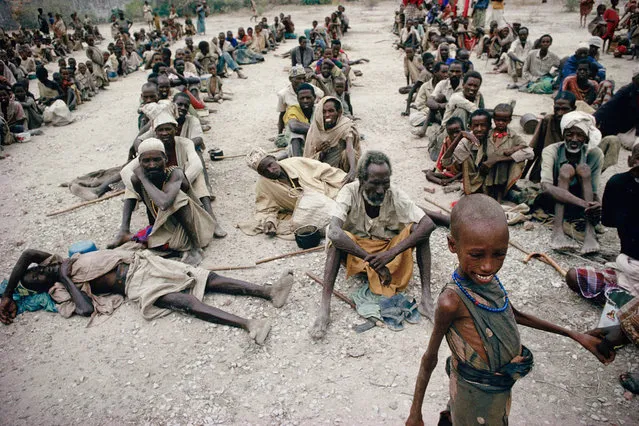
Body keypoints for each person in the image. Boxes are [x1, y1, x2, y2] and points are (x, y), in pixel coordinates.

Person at [405, 194, 612, 426]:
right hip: (475, 393)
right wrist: (415, 413)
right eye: (476, 255)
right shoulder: (451, 302)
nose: (488, 266)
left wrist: (575, 335)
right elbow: (429, 358)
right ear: (453, 245)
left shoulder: (488, 283)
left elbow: (514, 314)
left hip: (495, 393)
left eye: (499, 254)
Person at [0, 248, 295, 345]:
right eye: (38, 277)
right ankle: (249, 324)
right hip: (133, 284)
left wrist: (8, 293)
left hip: (142, 261)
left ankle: (268, 292)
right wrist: (63, 276)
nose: (42, 271)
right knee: (184, 302)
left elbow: (27, 255)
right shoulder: (62, 285)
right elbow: (86, 309)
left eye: (37, 270)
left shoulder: (58, 259)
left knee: (203, 276)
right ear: (45, 284)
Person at [310, 151, 437, 340]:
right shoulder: (349, 192)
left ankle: (426, 300)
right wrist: (373, 262)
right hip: (358, 255)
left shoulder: (394, 193)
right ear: (361, 180)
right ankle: (325, 307)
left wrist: (391, 253)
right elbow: (335, 232)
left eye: (384, 183)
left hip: (387, 252)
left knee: (420, 230)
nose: (380, 190)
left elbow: (429, 224)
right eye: (375, 183)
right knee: (338, 239)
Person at [564, 143, 639, 395]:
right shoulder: (619, 183)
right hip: (627, 267)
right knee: (576, 277)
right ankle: (626, 321)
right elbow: (608, 220)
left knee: (617, 329)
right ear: (631, 160)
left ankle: (626, 326)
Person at [239, 147, 346, 237]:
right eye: (265, 170)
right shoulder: (263, 185)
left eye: (270, 164)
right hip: (309, 212)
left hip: (329, 195)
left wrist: (345, 182)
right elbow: (266, 209)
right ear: (260, 173)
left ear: (274, 158)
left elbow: (326, 171)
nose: (271, 170)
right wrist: (270, 221)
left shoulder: (296, 162)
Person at [539, 111, 604, 253]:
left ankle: (590, 232)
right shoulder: (551, 150)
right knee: (566, 169)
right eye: (569, 134)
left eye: (580, 135)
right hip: (555, 202)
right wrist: (586, 205)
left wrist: (596, 205)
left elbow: (593, 191)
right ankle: (557, 230)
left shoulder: (595, 153)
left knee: (584, 169)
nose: (574, 139)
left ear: (586, 137)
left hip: (582, 205)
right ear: (563, 135)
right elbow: (546, 187)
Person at [442, 106, 532, 201]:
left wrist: (496, 160)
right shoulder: (467, 141)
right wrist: (459, 136)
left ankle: (506, 189)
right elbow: (446, 163)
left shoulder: (503, 136)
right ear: (470, 127)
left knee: (517, 158)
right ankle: (477, 191)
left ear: (490, 126)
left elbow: (529, 153)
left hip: (499, 179)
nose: (479, 129)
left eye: (483, 125)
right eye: (476, 126)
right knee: (466, 159)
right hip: (476, 179)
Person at [303, 97, 360, 181]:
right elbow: (310, 155)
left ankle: (347, 177)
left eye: (331, 111)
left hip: (341, 166)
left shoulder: (344, 124)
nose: (327, 115)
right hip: (321, 167)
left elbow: (349, 148)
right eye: (324, 112)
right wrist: (322, 152)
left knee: (349, 154)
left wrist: (352, 170)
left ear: (339, 112)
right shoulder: (315, 128)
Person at [525, 91, 577, 182]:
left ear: (573, 109)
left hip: (569, 169)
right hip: (547, 165)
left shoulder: (579, 125)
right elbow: (536, 148)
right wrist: (524, 174)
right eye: (557, 109)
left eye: (565, 109)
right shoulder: (548, 121)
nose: (560, 113)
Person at [594, 66, 639, 150]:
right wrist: (593, 119)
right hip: (622, 126)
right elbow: (607, 107)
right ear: (634, 79)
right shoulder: (626, 91)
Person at [276, 65, 324, 134]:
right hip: (295, 123)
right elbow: (282, 114)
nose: (302, 81)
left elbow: (326, 96)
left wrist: (319, 80)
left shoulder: (309, 88)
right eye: (298, 78)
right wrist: (279, 134)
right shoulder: (283, 94)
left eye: (303, 78)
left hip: (310, 122)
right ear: (290, 79)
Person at [424, 116, 463, 186]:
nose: (454, 135)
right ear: (448, 133)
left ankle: (446, 181)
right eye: (451, 133)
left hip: (462, 172)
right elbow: (441, 158)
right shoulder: (447, 141)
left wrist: (451, 180)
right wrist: (435, 170)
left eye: (457, 132)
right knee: (428, 174)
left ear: (463, 130)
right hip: (451, 171)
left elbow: (467, 168)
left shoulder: (466, 142)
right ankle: (441, 182)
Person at [283, 83, 316, 156]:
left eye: (308, 98)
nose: (305, 101)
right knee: (296, 134)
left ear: (314, 97)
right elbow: (294, 126)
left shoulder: (319, 110)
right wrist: (318, 130)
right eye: (302, 98)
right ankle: (298, 162)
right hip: (299, 147)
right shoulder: (293, 109)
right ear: (297, 99)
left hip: (316, 144)